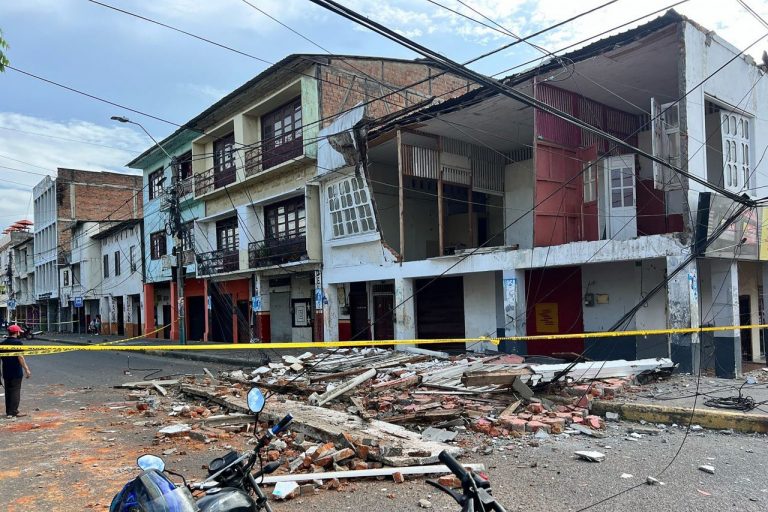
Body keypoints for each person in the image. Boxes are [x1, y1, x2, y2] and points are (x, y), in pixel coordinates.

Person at [1, 324, 32, 418]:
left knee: (8, 391)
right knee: (15, 390)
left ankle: (9, 412)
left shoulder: (2, 343)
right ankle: (14, 411)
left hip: (6, 370)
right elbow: (20, 357)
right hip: (16, 371)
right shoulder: (18, 343)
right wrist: (26, 369)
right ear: (17, 332)